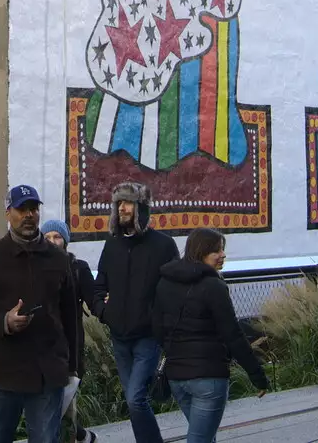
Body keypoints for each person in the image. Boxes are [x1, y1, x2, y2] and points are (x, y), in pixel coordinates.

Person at [0, 185, 82, 443]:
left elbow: (70, 315)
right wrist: (3, 321)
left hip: (47, 371)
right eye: (21, 209)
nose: (29, 215)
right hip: (4, 371)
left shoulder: (58, 259)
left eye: (33, 209)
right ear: (8, 213)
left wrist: (72, 366)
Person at [152, 228, 269, 442]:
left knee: (205, 437)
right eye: (217, 250)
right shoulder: (213, 286)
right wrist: (257, 376)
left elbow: (158, 329)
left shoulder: (164, 282)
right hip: (209, 379)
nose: (223, 255)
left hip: (177, 378)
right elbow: (232, 334)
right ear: (201, 252)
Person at [94, 182, 179, 443]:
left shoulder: (163, 246)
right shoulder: (112, 245)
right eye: (119, 203)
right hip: (119, 338)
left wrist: (159, 322)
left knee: (135, 399)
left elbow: (175, 290)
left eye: (128, 203)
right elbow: (100, 286)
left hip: (147, 338)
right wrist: (103, 312)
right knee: (135, 401)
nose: (122, 208)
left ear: (141, 208)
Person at [44, 219, 101, 443]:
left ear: (65, 240)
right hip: (42, 346)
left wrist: (109, 309)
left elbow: (93, 299)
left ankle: (77, 436)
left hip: (70, 345)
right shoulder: (36, 268)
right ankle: (83, 436)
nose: (52, 242)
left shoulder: (78, 268)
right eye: (47, 237)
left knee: (67, 405)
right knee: (51, 408)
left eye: (57, 237)